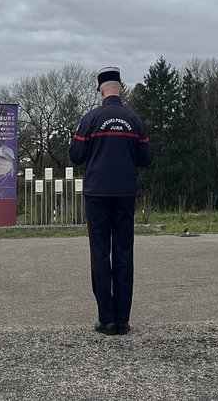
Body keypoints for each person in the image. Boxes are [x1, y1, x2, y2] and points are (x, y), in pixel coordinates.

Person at [68, 66, 153, 336]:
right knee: (124, 253)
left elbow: (75, 155)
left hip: (97, 194)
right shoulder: (134, 120)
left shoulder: (91, 119)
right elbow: (147, 159)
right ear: (120, 89)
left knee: (100, 253)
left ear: (101, 90)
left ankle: (106, 319)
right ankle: (123, 320)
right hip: (125, 193)